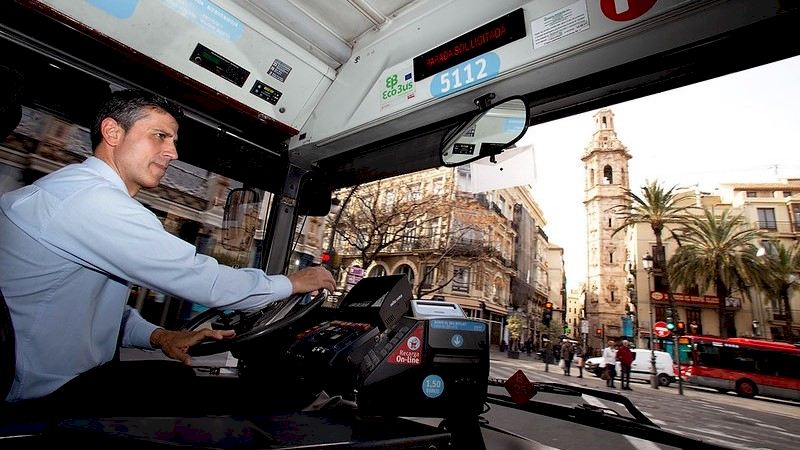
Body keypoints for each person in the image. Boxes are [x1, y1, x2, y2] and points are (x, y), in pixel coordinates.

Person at [0, 89, 336, 417]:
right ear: (113, 132)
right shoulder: (91, 200)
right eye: (159, 136)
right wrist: (290, 283)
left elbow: (90, 308)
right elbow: (200, 278)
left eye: (173, 141)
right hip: (43, 398)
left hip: (61, 380)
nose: (172, 152)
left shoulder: (78, 193)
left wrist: (159, 336)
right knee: (215, 400)